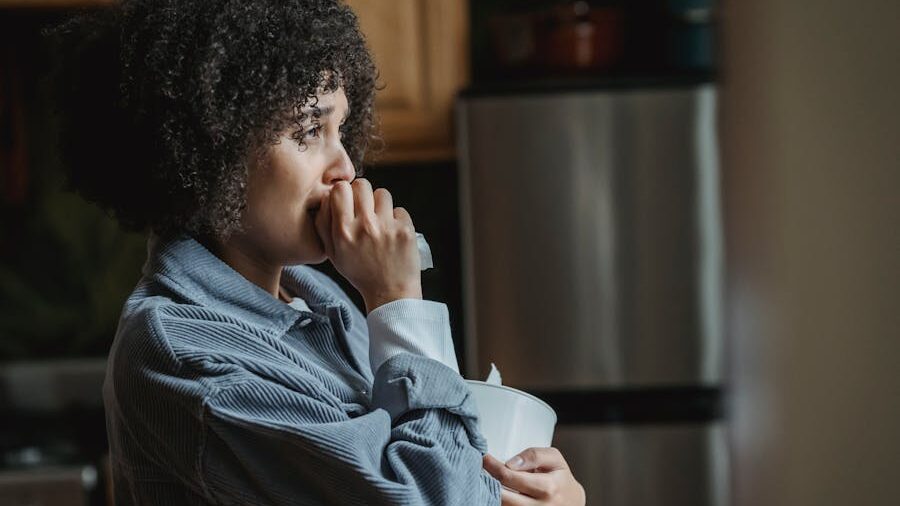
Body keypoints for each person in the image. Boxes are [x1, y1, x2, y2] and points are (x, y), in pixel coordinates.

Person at [50, 1, 586, 504]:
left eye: (341, 129)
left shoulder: (316, 297)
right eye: (309, 131)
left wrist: (524, 492)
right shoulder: (183, 352)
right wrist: (396, 299)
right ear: (213, 147)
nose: (346, 169)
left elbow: (448, 469)